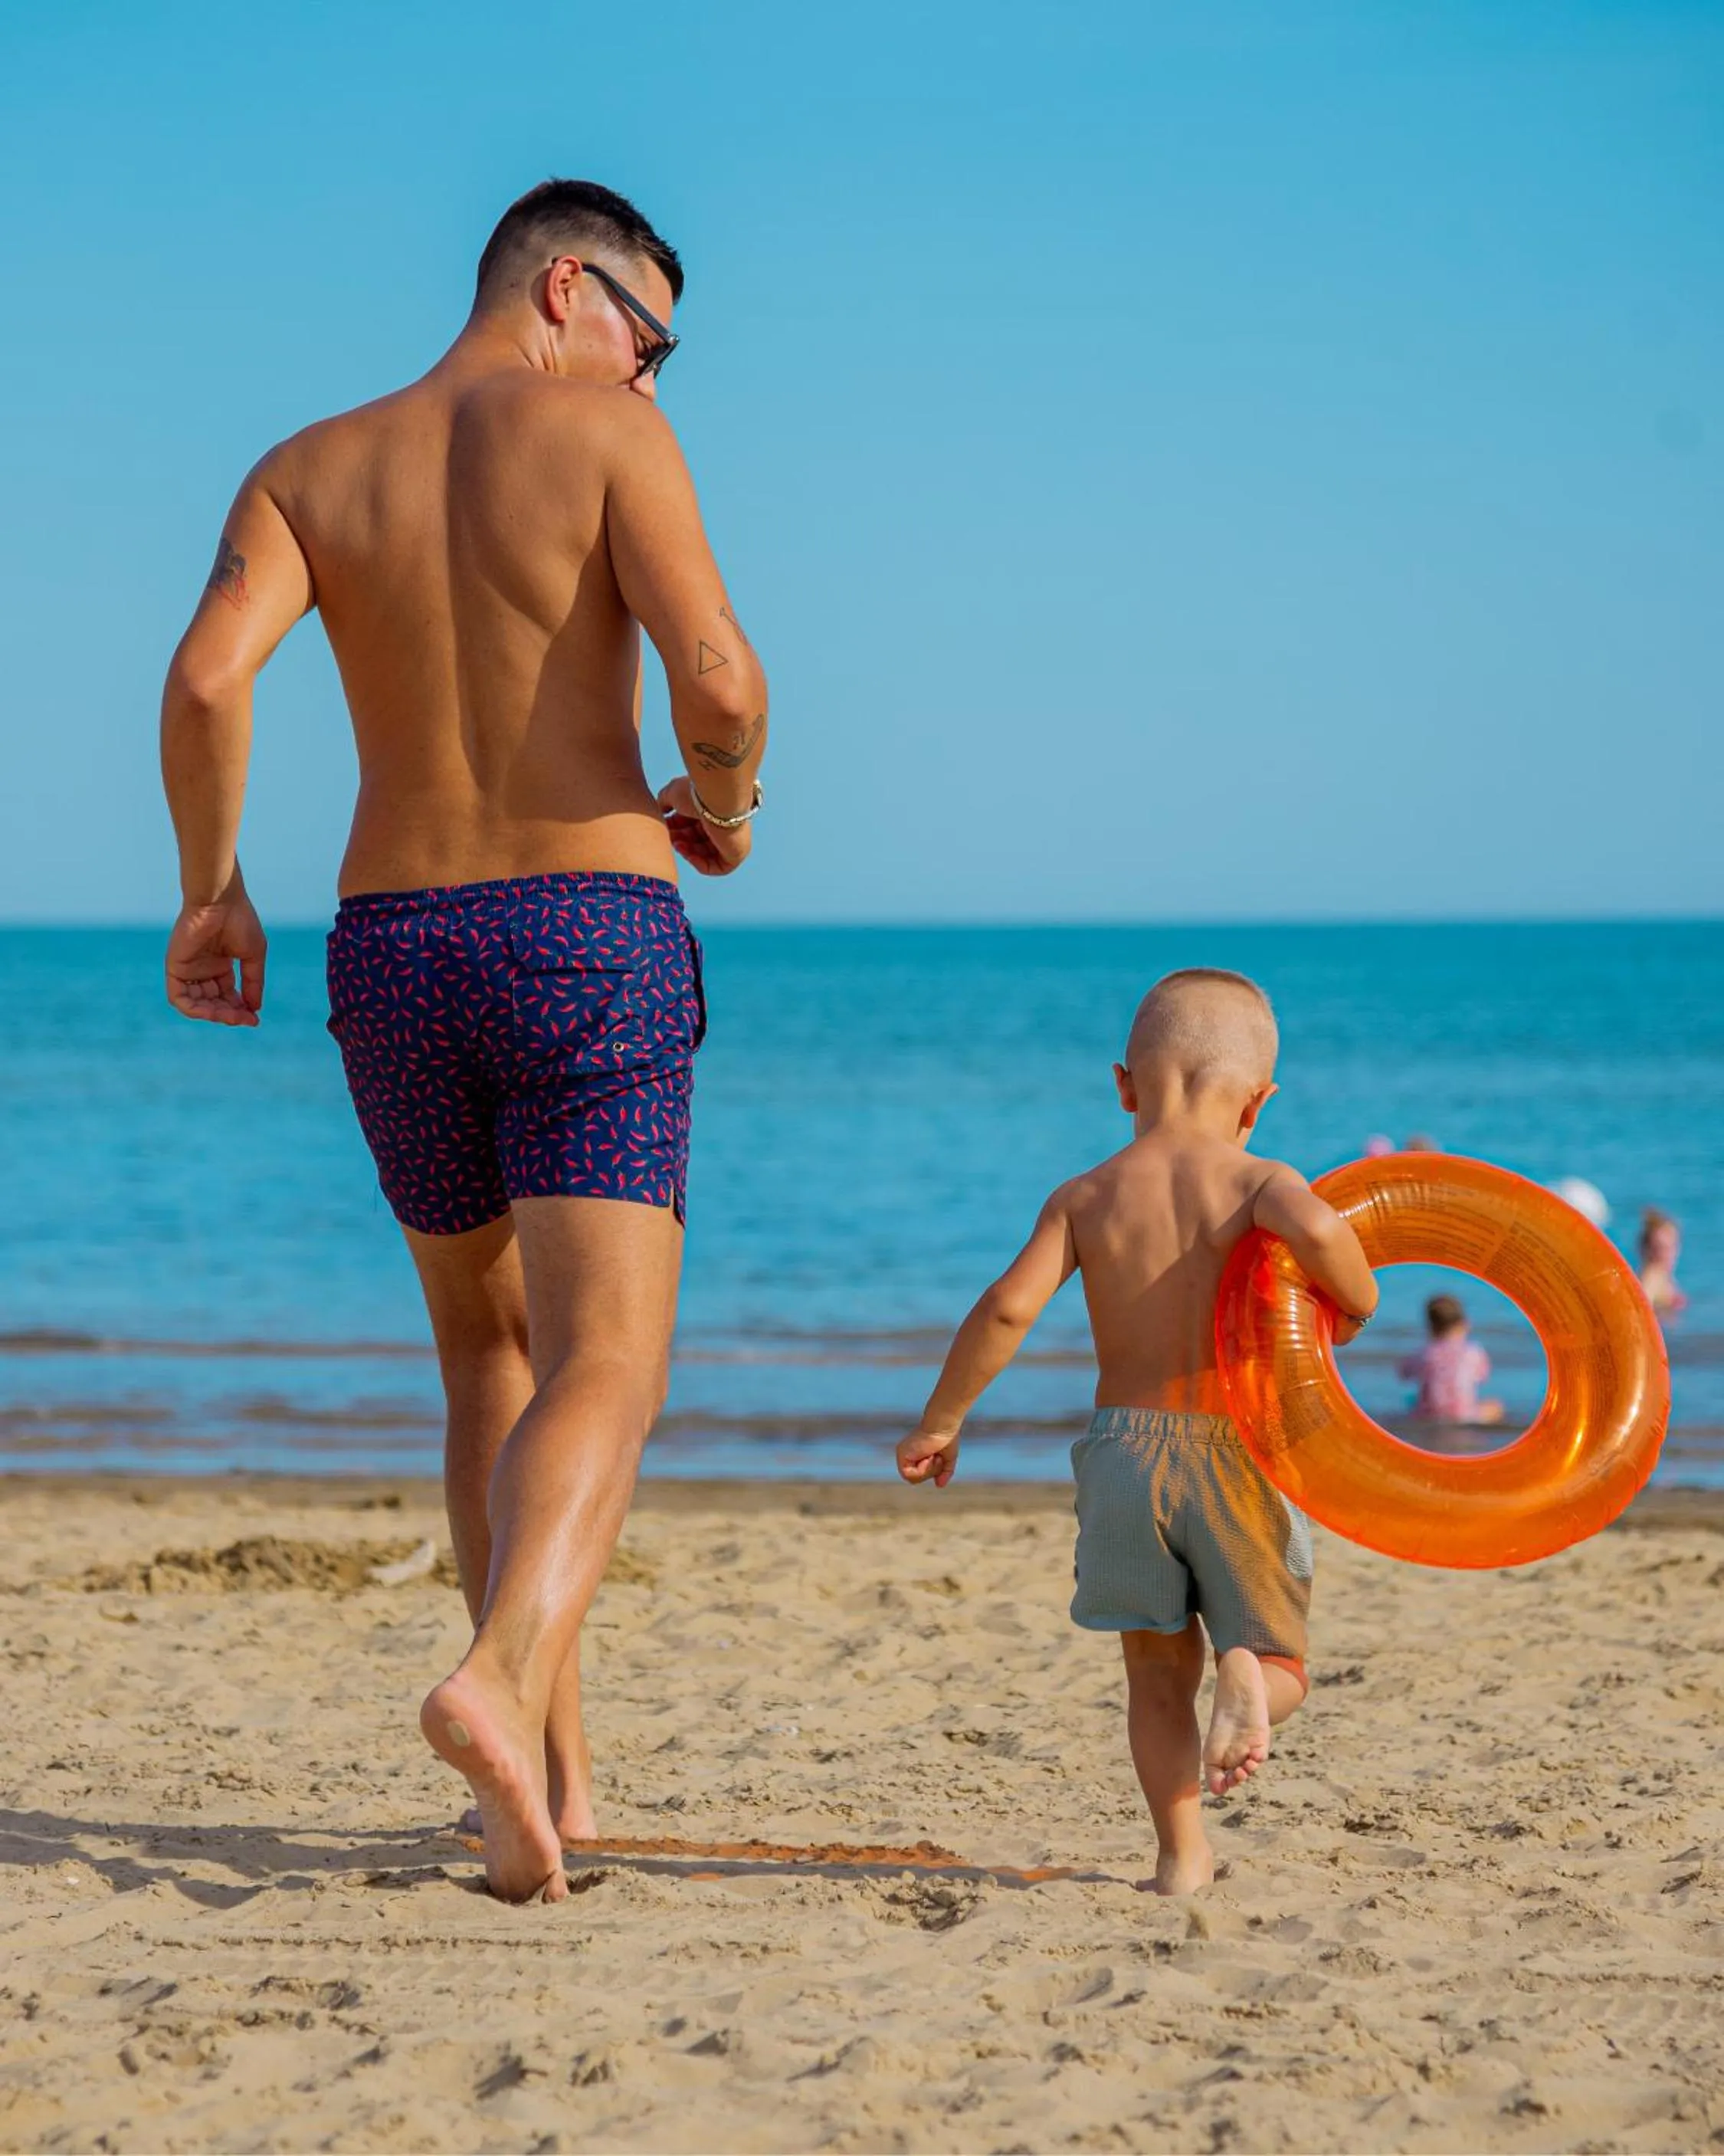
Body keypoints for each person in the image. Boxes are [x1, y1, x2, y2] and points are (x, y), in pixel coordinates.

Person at [159, 179, 769, 1903]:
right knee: (610, 1364)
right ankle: (500, 1682)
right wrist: (721, 800)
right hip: (585, 921)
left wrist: (214, 892)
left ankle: (552, 1780)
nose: (653, 378)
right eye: (650, 337)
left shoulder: (306, 466)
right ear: (567, 289)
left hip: (395, 943)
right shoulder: (600, 438)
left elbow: (208, 681)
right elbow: (718, 678)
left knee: (482, 1355)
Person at [895, 970, 1378, 1895]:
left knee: (1155, 1672)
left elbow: (1005, 1309)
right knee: (1281, 1657)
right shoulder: (1263, 1182)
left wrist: (942, 1419)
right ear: (1258, 1102)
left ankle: (1181, 1856)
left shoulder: (1087, 1194)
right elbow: (1320, 1228)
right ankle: (1247, 1677)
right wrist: (1355, 1301)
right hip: (1237, 1445)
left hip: (1123, 1454)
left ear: (1125, 1085)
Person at [1398, 1295, 1503, 1425]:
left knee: (1412, 1401)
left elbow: (1403, 1374)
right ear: (1465, 1324)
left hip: (1427, 1416)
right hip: (1464, 1416)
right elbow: (1482, 1377)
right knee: (1495, 1406)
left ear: (1431, 1327)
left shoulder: (1423, 1353)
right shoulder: (1473, 1352)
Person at [1638, 1209, 1688, 1318]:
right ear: (1644, 1249)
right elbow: (1640, 1312)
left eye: (1671, 1247)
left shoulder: (1664, 1278)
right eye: (1659, 1248)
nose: (1666, 1255)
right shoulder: (1652, 1277)